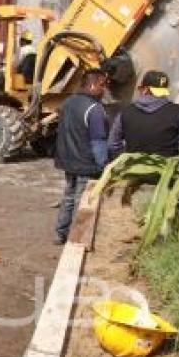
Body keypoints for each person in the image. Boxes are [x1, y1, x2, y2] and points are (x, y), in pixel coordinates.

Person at [53, 69, 109, 245]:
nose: (104, 89)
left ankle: (60, 233)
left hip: (68, 161)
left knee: (69, 196)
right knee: (82, 200)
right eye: (102, 85)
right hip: (85, 163)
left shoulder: (67, 103)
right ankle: (78, 239)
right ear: (92, 85)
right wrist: (104, 165)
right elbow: (98, 142)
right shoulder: (95, 109)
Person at [108, 70, 179, 158]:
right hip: (166, 169)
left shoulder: (125, 113)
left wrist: (127, 159)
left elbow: (112, 145)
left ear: (144, 90)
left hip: (132, 168)